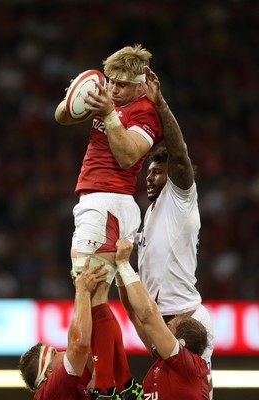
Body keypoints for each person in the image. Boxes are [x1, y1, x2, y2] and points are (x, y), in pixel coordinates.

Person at [54, 44, 163, 395]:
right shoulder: (110, 98)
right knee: (98, 294)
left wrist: (109, 113)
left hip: (107, 203)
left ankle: (107, 386)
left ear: (140, 84)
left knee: (90, 292)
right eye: (110, 81)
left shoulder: (146, 113)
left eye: (121, 85)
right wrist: (82, 96)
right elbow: (61, 116)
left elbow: (128, 152)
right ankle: (120, 382)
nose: (113, 89)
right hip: (104, 205)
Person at [135, 66, 214, 396]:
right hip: (160, 325)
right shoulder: (148, 216)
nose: (150, 178)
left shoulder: (180, 198)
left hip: (186, 321)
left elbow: (179, 155)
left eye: (158, 172)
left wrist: (160, 105)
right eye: (148, 172)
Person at [19, 258, 143, 400]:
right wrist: (82, 291)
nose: (63, 351)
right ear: (48, 372)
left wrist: (85, 292)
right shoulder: (51, 392)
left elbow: (93, 342)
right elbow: (79, 346)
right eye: (54, 354)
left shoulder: (71, 385)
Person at [115, 238, 210, 400]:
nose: (163, 327)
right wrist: (119, 273)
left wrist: (124, 264)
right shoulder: (168, 362)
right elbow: (133, 313)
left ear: (181, 343)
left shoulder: (188, 365)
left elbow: (147, 315)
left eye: (169, 327)